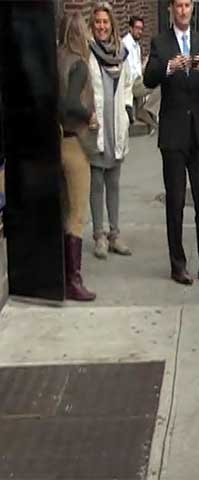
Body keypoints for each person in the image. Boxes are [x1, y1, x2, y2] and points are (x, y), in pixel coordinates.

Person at [144, 0, 199, 286]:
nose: (183, 10)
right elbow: (148, 78)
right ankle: (177, 264)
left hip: (198, 133)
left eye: (187, 5)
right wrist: (168, 67)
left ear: (192, 9)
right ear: (171, 9)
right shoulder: (160, 42)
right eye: (178, 6)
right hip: (173, 134)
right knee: (176, 201)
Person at [87, 2, 133, 259]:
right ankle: (99, 235)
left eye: (105, 22)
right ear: (92, 26)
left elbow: (127, 85)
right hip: (97, 127)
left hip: (117, 127)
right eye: (97, 23)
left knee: (113, 183)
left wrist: (127, 112)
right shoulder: (88, 53)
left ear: (111, 24)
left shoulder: (122, 53)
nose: (102, 27)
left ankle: (115, 233)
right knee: (96, 184)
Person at [57, 12, 97, 301]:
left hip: (54, 142)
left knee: (61, 210)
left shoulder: (55, 59)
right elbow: (70, 103)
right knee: (77, 214)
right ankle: (74, 279)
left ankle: (60, 275)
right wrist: (89, 115)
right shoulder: (78, 64)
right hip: (74, 144)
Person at [122, 15, 159, 133]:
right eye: (137, 28)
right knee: (160, 84)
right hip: (131, 84)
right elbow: (129, 72)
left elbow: (137, 68)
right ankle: (146, 110)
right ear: (130, 28)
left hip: (138, 80)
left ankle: (144, 111)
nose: (140, 31)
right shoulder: (126, 44)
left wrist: (145, 65)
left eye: (141, 29)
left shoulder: (136, 44)